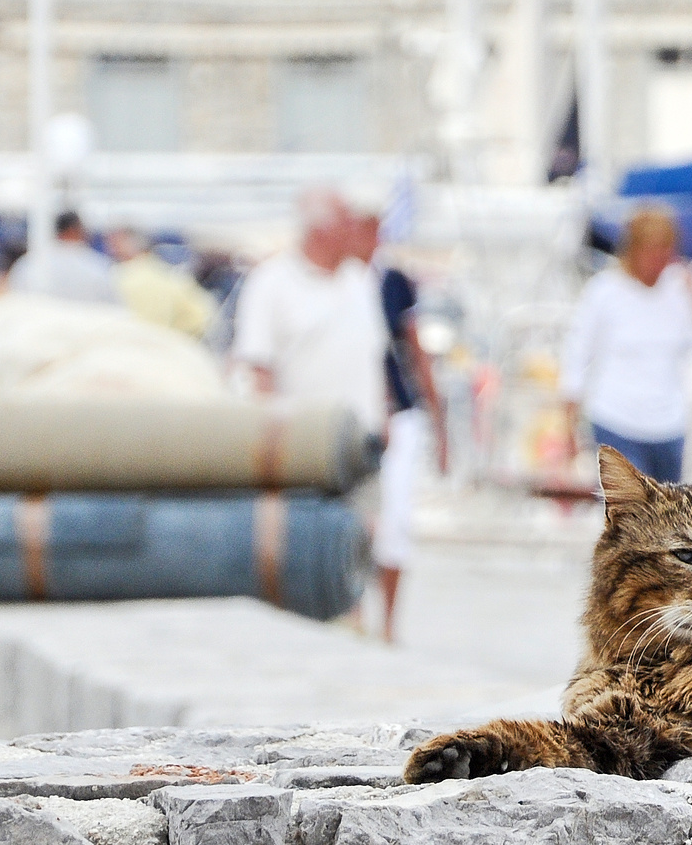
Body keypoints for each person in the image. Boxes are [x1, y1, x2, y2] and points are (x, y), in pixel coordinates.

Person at [349, 210, 447, 643]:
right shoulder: (341, 283)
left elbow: (414, 349)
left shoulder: (391, 281)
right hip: (352, 414)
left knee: (395, 520)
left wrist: (438, 419)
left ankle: (387, 623)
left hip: (398, 412)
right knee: (356, 517)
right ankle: (354, 611)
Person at [561, 203, 692, 483]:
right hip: (615, 419)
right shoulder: (603, 292)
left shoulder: (682, 289)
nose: (659, 262)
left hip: (669, 424)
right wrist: (569, 421)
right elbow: (577, 355)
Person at [231, 186, 389, 434]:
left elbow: (375, 358)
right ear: (321, 229)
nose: (355, 227)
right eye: (346, 220)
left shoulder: (362, 279)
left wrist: (384, 419)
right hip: (305, 444)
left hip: (364, 440)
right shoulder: (269, 283)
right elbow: (259, 372)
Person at [108, 227, 217, 339]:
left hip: (176, 340)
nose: (112, 249)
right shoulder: (161, 270)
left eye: (116, 244)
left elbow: (148, 329)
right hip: (193, 336)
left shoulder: (136, 276)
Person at [8, 210, 120, 305]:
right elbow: (111, 306)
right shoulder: (98, 266)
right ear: (74, 229)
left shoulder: (27, 265)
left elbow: (17, 301)